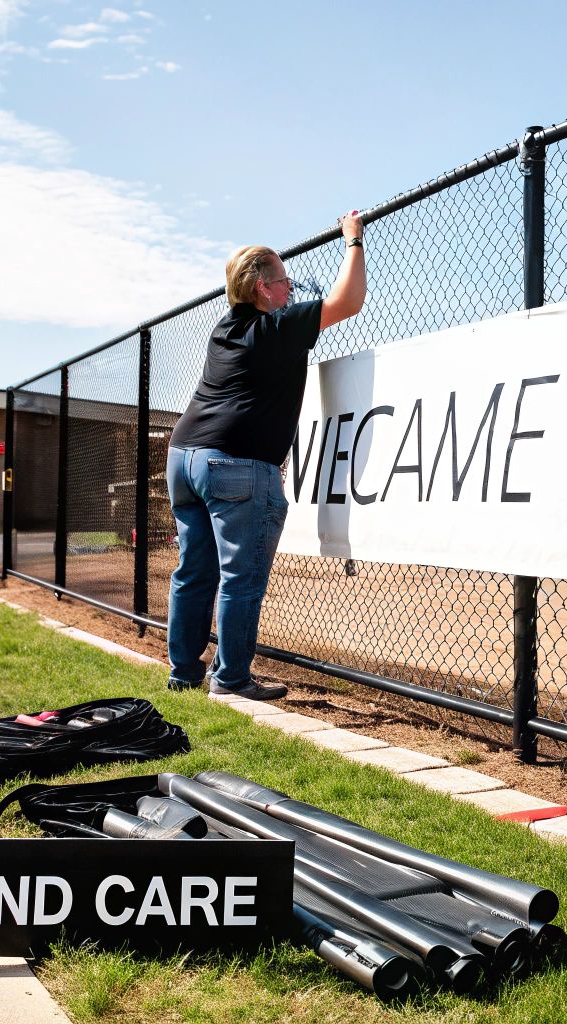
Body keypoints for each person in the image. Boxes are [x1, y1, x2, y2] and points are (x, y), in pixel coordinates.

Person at [164, 211, 367, 700]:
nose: (291, 287)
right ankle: (231, 679)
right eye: (283, 280)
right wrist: (353, 242)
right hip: (235, 464)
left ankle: (184, 673)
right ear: (261, 288)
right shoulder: (278, 326)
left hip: (183, 457)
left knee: (194, 572)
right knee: (241, 576)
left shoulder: (223, 329)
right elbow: (349, 301)